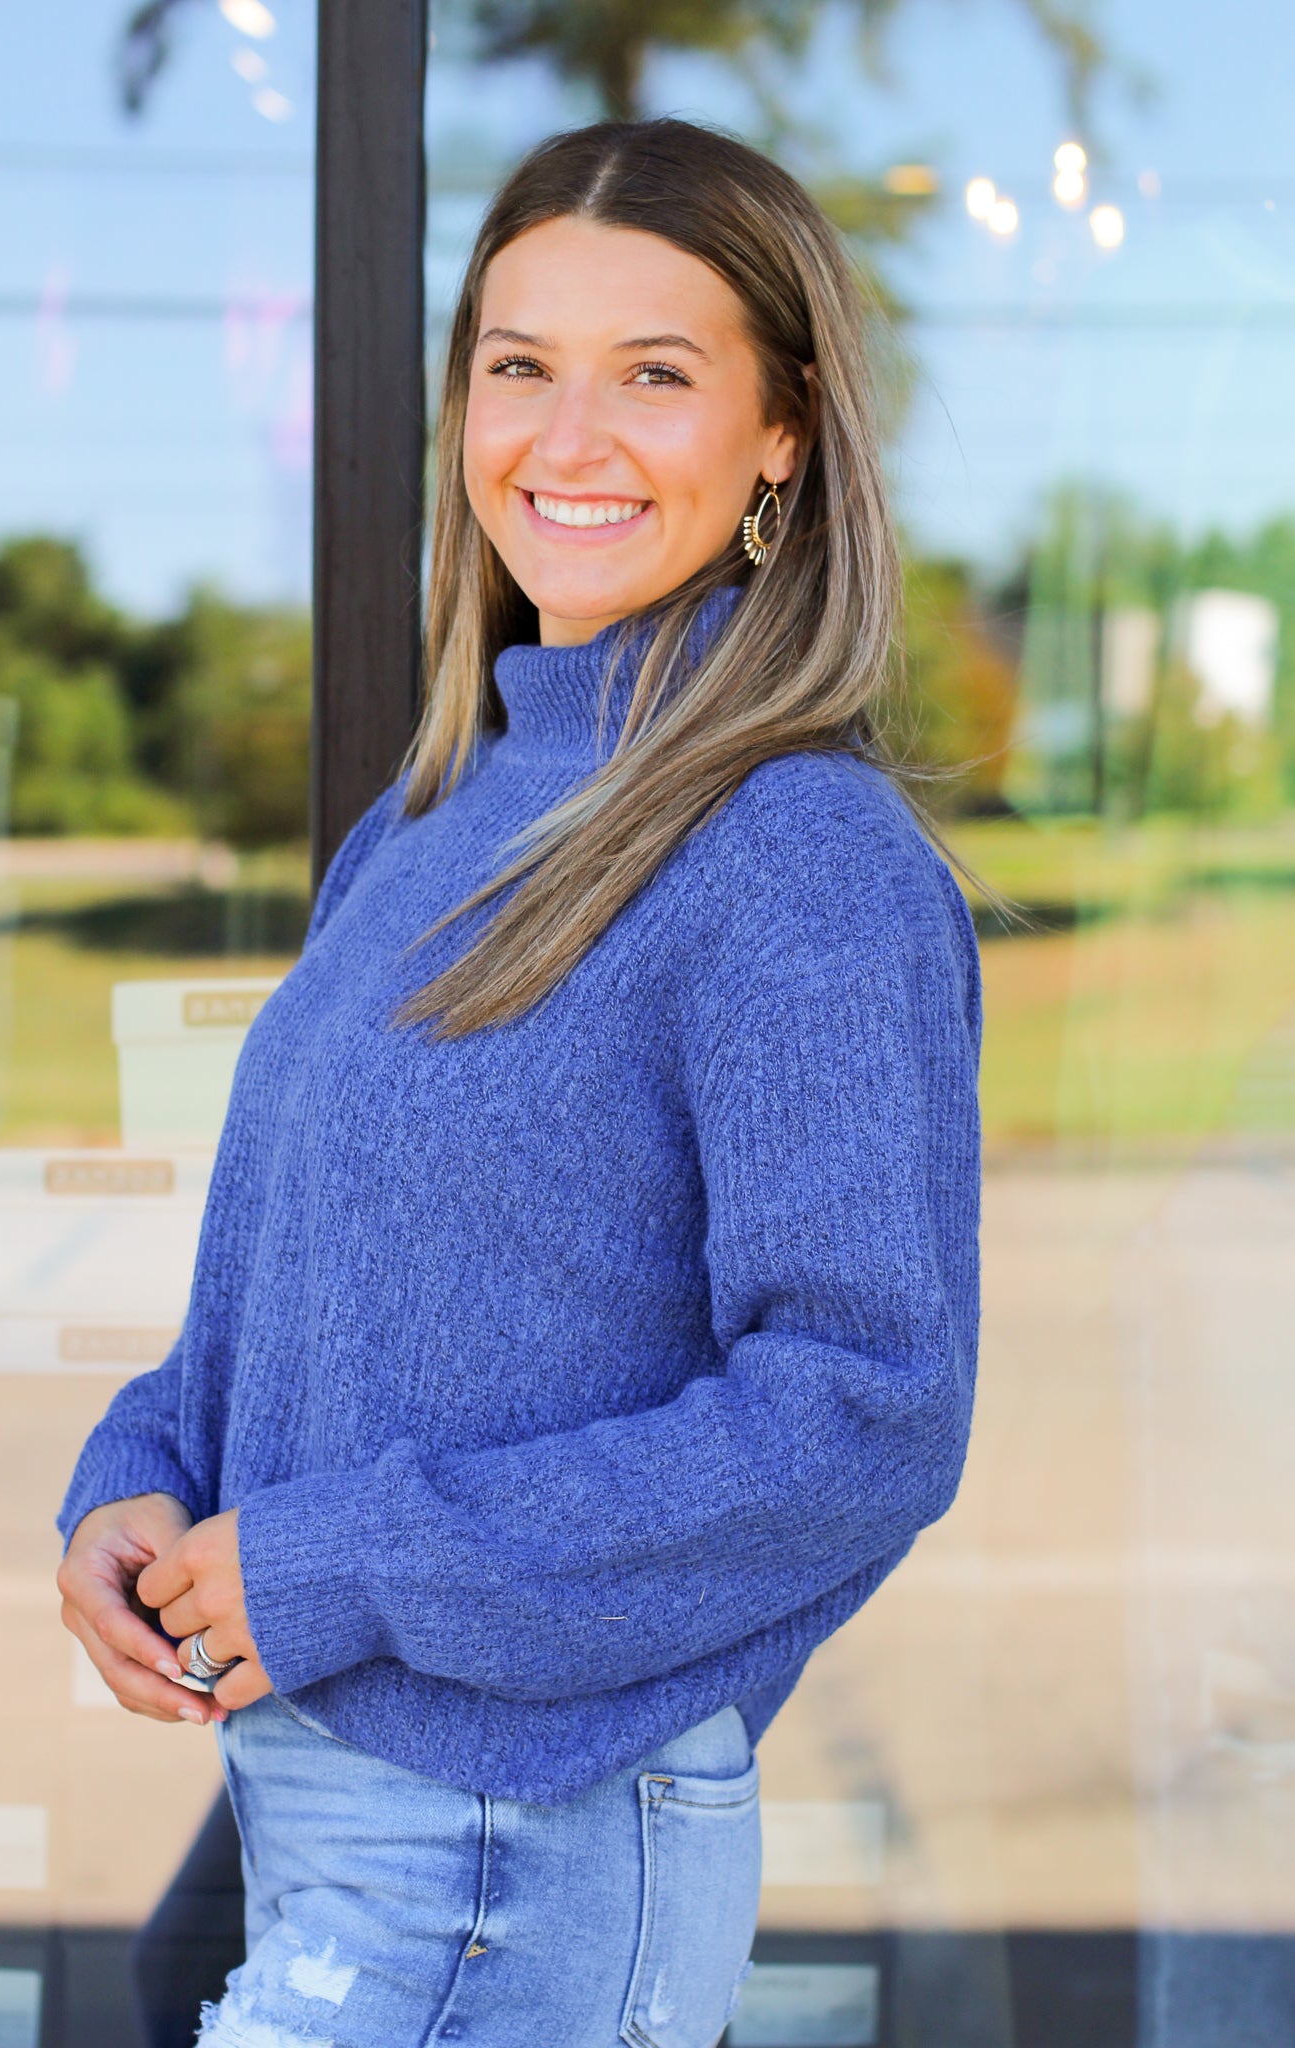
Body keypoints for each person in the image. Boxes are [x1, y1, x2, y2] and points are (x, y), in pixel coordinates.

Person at [56, 117, 981, 2048]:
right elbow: (282, 1301)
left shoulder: (792, 851)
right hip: (318, 1811)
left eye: (656, 373)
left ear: (782, 433)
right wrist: (137, 1477)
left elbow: (864, 1414)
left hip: (517, 1849)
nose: (565, 442)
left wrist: (340, 1559)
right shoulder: (422, 824)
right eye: (518, 366)